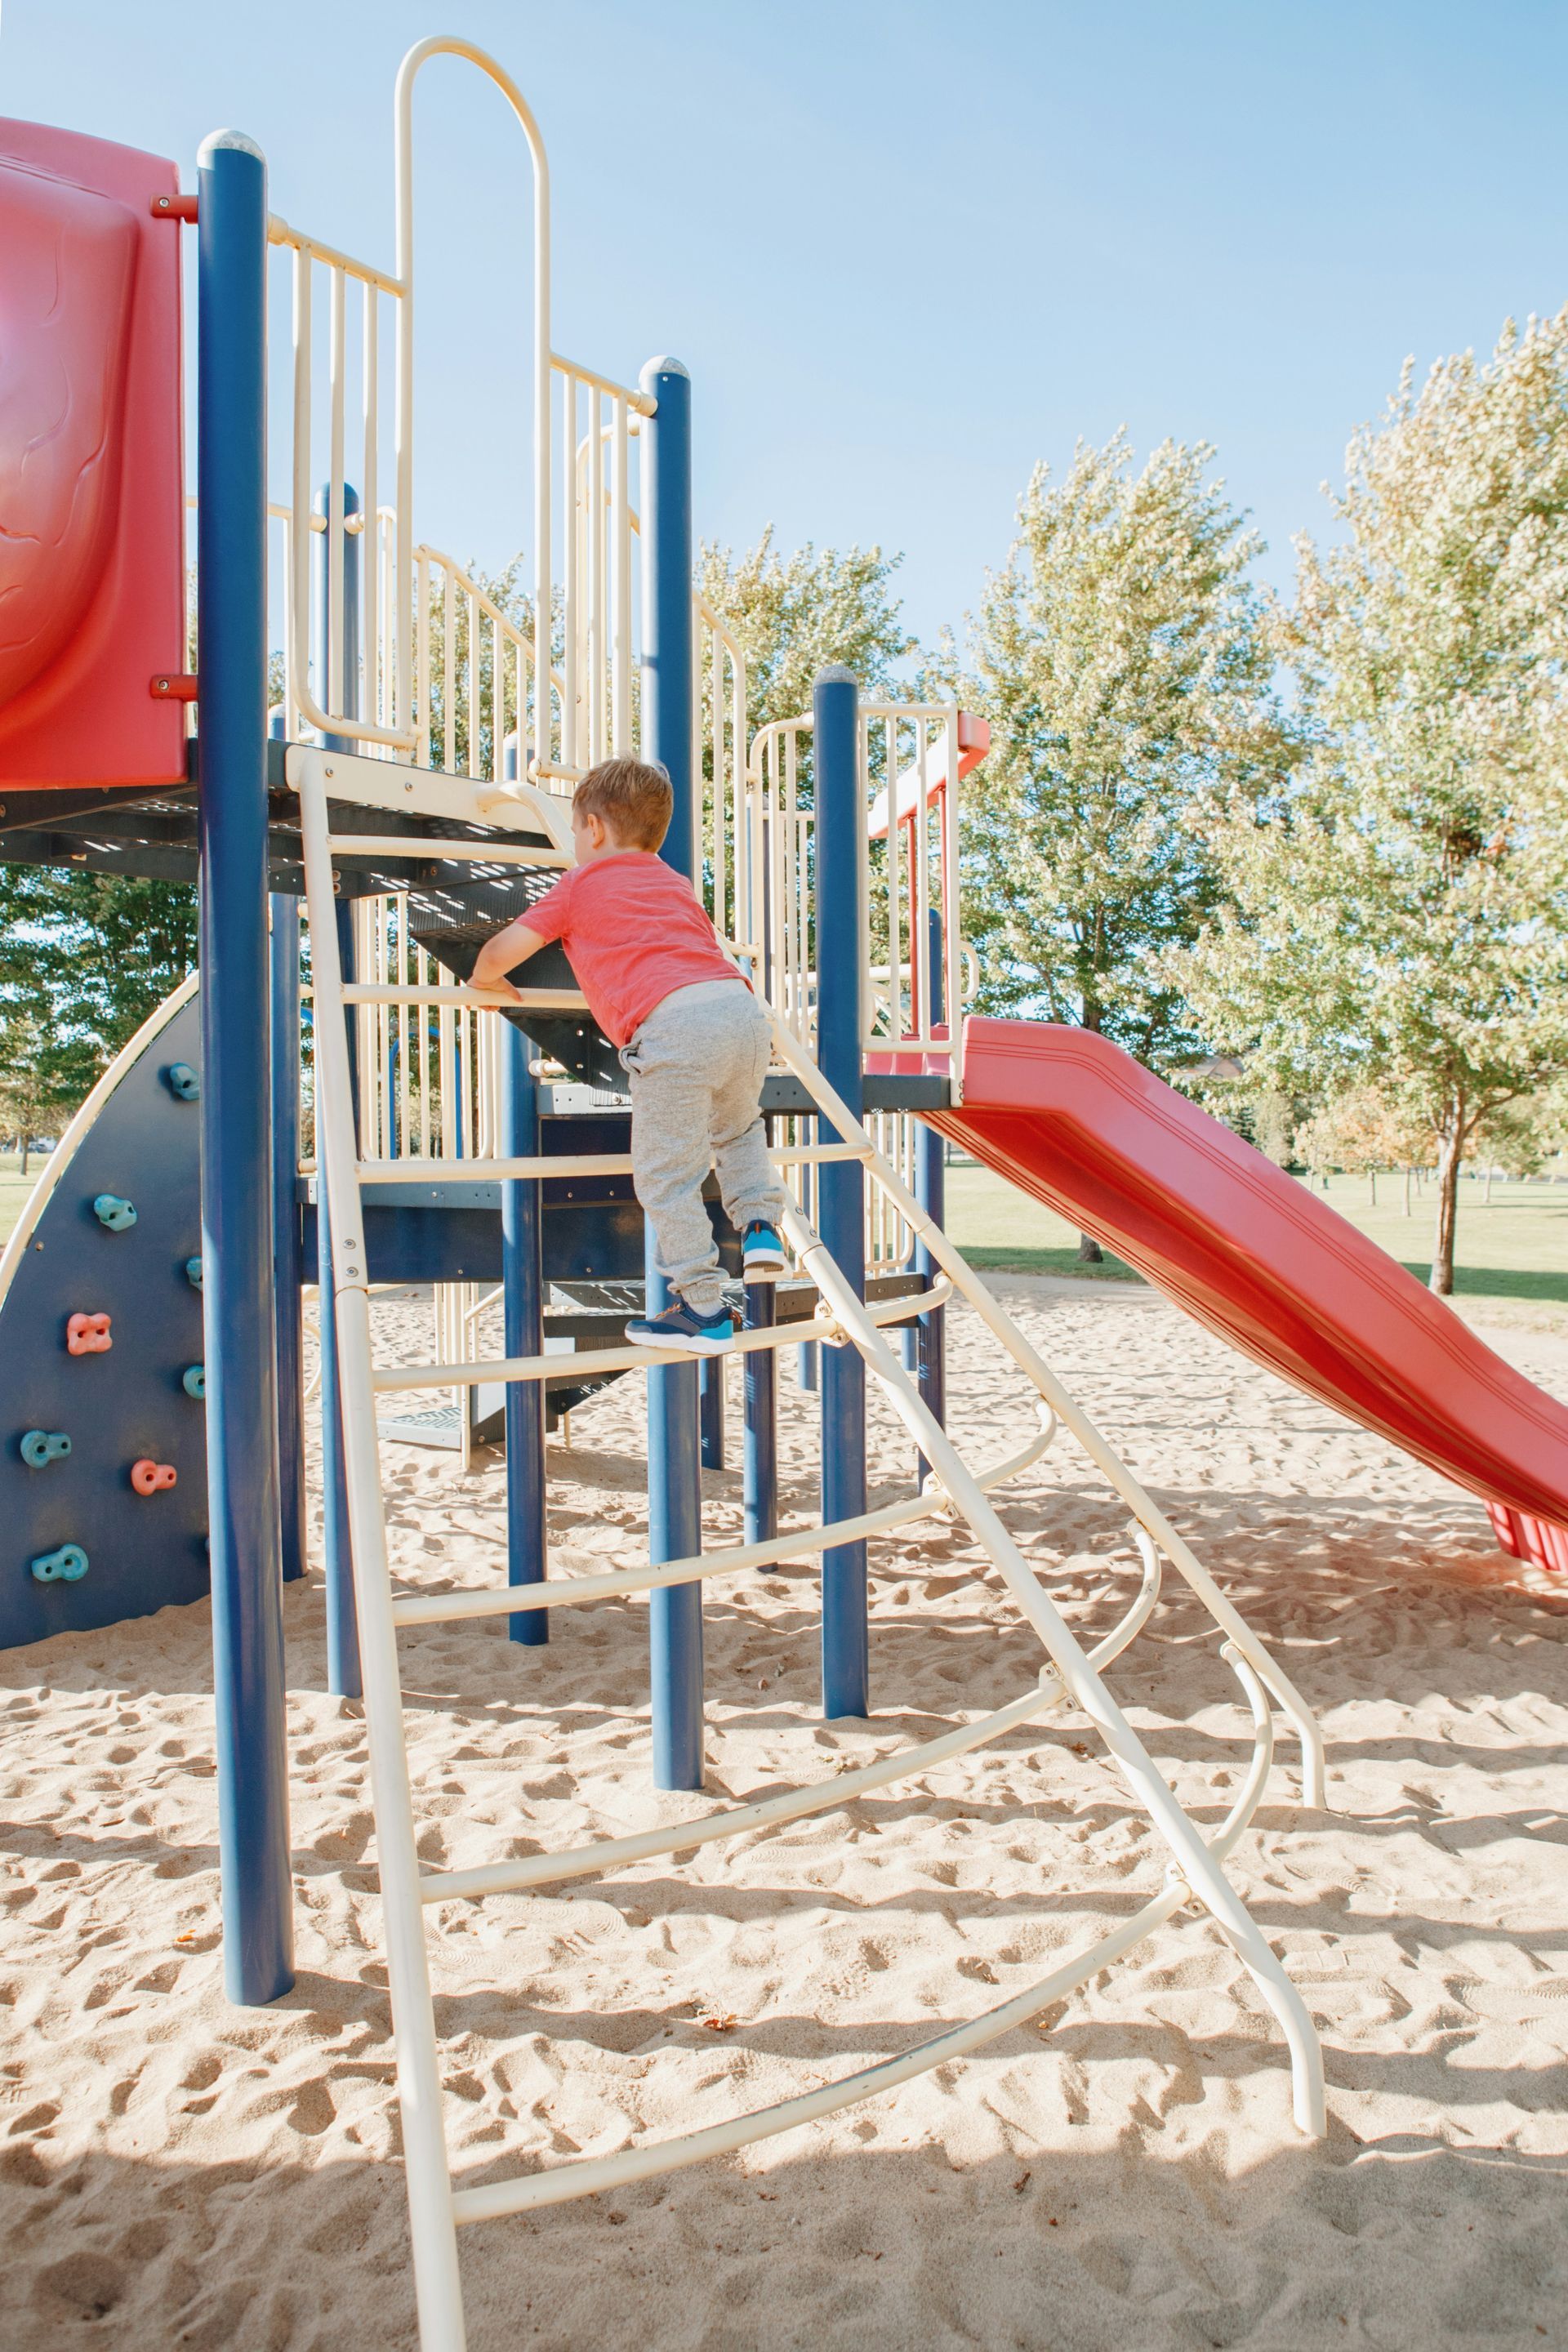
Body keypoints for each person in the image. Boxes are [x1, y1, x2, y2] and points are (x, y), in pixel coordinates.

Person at [470, 755, 789, 1354]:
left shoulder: (579, 885)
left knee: (667, 1178)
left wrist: (486, 984)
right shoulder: (674, 882)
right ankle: (762, 1230)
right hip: (742, 1014)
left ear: (592, 829)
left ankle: (704, 1309)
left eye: (572, 830)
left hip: (672, 1026)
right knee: (739, 1128)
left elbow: (499, 953)